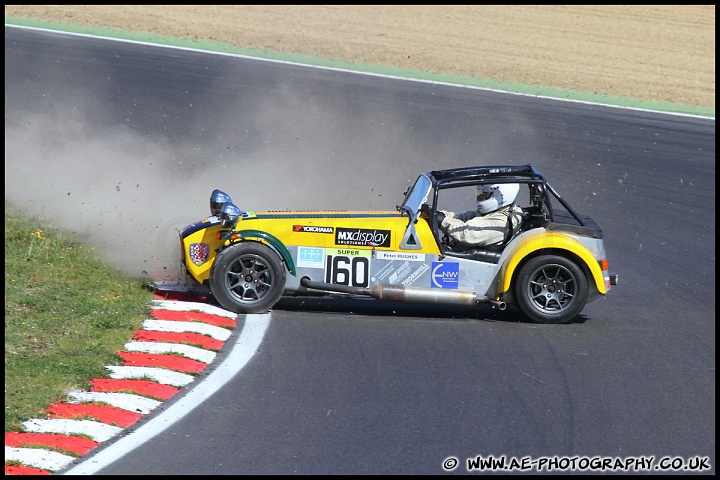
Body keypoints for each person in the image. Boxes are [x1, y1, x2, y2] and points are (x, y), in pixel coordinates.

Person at [436, 183, 524, 249]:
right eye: (481, 193)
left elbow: (465, 233)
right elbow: (462, 218)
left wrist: (442, 221)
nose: (481, 196)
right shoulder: (493, 212)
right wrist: (440, 214)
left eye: (486, 194)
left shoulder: (502, 222)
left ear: (502, 196)